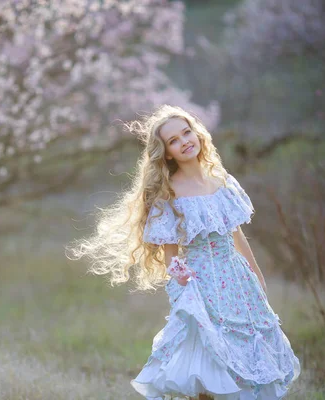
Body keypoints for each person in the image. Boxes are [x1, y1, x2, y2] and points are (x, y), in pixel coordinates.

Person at [67, 105, 300, 399]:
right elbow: (171, 257)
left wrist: (257, 275)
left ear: (198, 133)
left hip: (237, 281)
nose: (184, 141)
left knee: (244, 356)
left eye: (186, 132)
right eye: (173, 140)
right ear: (166, 153)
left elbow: (237, 235)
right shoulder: (170, 195)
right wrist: (184, 288)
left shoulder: (222, 181)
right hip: (201, 285)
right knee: (207, 363)